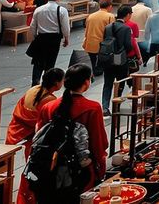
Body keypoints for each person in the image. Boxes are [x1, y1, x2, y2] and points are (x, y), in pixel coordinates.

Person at [22, 64, 107, 204]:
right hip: (80, 170)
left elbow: (39, 136)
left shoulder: (48, 107)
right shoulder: (92, 108)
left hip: (49, 168)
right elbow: (99, 143)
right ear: (86, 82)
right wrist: (100, 166)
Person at [7, 68, 64, 153]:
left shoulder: (34, 88)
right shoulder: (50, 99)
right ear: (56, 83)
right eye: (62, 81)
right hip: (28, 132)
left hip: (15, 129)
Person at [27, 0, 70, 86]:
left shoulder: (39, 9)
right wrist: (66, 38)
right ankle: (47, 83)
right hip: (54, 39)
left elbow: (33, 26)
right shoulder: (61, 10)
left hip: (41, 37)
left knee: (38, 61)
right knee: (51, 61)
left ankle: (35, 82)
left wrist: (34, 37)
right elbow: (65, 27)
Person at [98, 5, 135, 113]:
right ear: (127, 15)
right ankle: (116, 105)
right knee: (120, 83)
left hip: (108, 58)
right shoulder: (126, 28)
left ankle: (105, 107)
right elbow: (128, 45)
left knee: (107, 83)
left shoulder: (108, 27)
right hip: (120, 59)